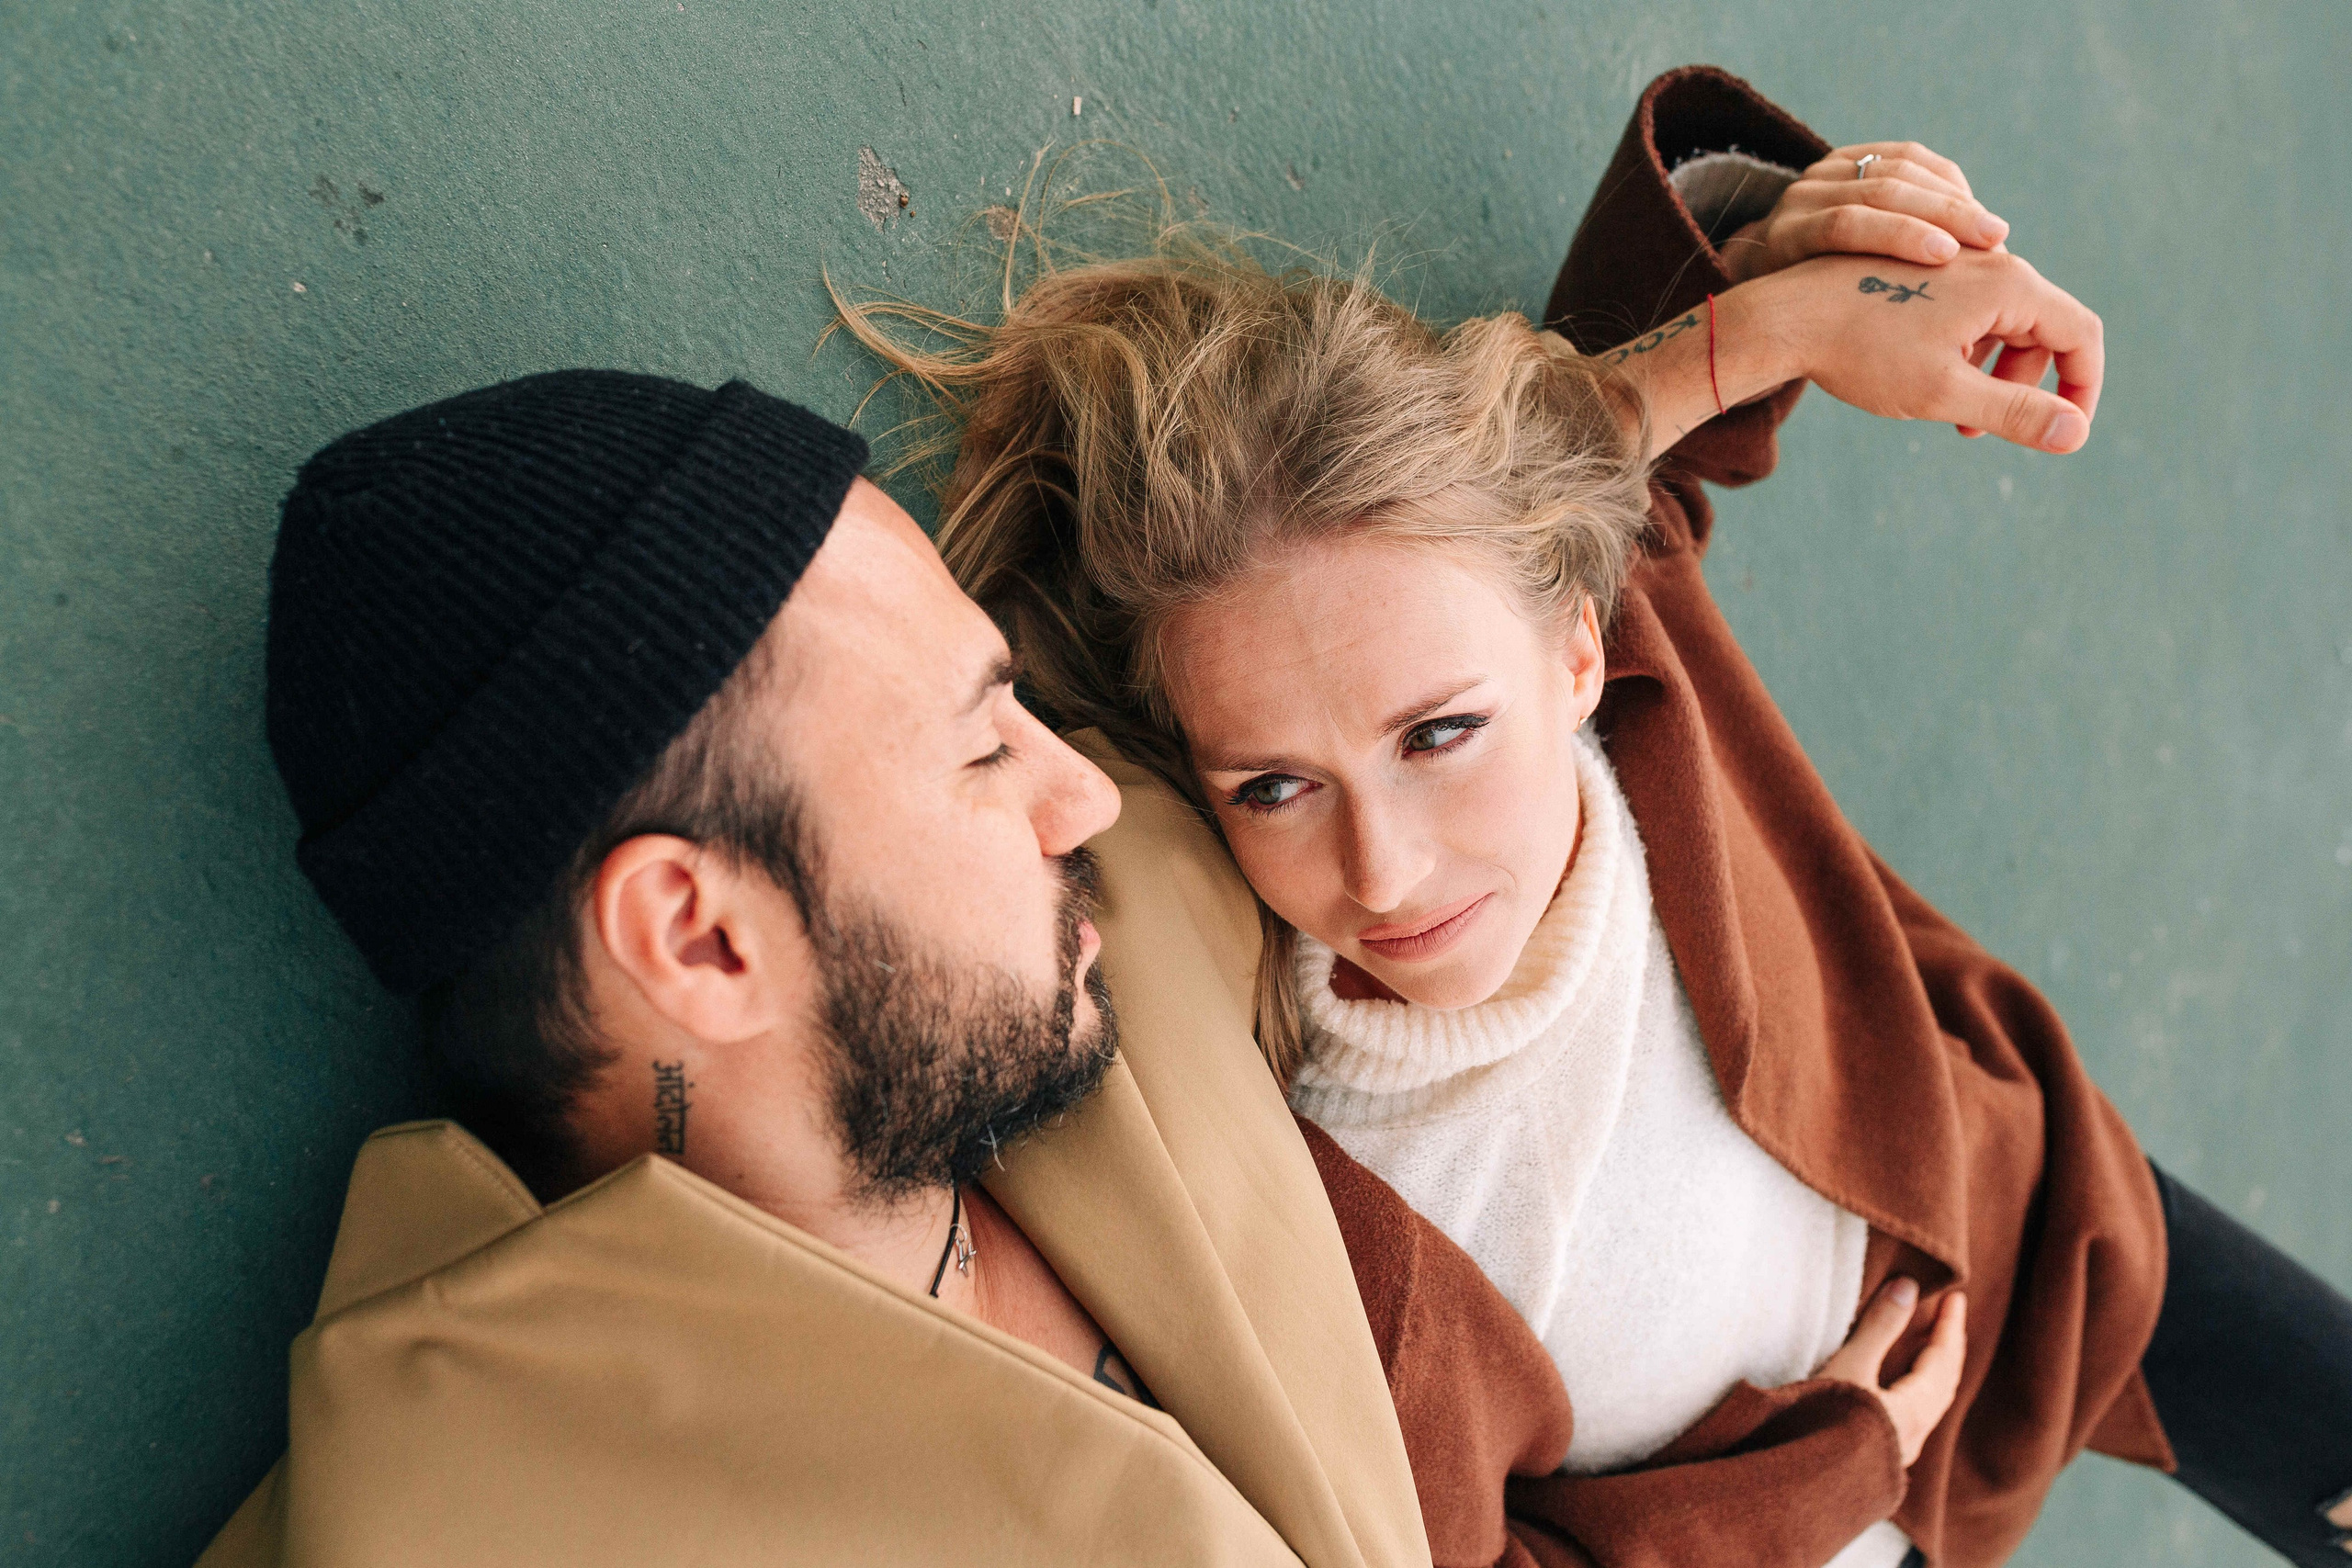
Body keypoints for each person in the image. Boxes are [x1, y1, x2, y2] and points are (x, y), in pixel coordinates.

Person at [843, 65, 2352, 1568]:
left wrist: (1783, 296)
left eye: (1442, 736)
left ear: (1575, 649)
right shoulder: (1348, 1233)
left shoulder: (1625, 663)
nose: (1387, 869)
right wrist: (1839, 1475)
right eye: (1277, 787)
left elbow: (1581, 465)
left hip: (2025, 1220)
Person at [194, 370, 1439, 1567]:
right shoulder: (451, 1525)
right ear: (701, 940)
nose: (1083, 795)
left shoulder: (1148, 922)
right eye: (979, 758)